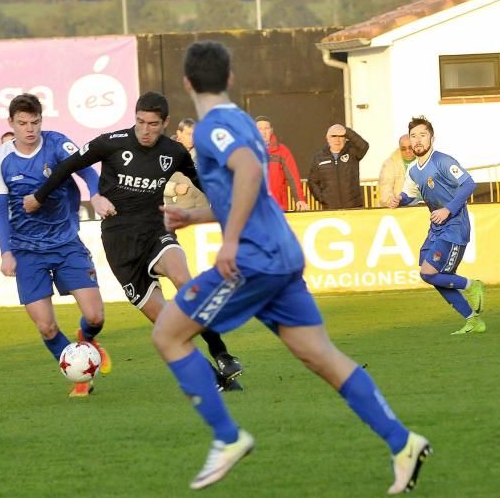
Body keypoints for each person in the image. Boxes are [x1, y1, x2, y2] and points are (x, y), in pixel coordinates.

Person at [154, 41, 429, 493]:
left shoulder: (210, 129)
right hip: (283, 253)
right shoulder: (243, 121)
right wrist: (198, 216)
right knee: (320, 355)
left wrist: (230, 243)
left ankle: (227, 437)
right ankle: (403, 442)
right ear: (230, 79)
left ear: (187, 83)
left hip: (254, 259)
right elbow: (248, 191)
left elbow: (247, 174)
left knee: (167, 332)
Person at [25, 92, 243, 391]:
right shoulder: (112, 142)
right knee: (168, 326)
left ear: (165, 123)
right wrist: (38, 197)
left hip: (155, 231)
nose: (145, 129)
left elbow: (201, 182)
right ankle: (217, 381)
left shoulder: (174, 152)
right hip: (120, 244)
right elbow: (68, 166)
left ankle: (222, 353)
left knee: (183, 278)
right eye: (140, 121)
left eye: (153, 124)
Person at [0, 93, 111, 398]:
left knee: (95, 316)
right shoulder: (1, 158)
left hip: (66, 242)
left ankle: (86, 339)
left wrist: (95, 195)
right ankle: (79, 374)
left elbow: (88, 172)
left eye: (35, 122)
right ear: (11, 124)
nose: (30, 129)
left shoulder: (58, 145)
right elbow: (0, 210)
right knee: (46, 327)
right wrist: (6, 252)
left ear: (41, 120)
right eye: (22, 123)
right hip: (27, 250)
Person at [387, 116, 487, 334]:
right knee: (430, 274)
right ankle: (473, 320)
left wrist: (447, 209)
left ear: (432, 138)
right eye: (414, 136)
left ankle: (472, 285)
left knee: (430, 273)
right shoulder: (413, 170)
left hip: (454, 226)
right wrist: (399, 199)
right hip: (436, 229)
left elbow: (469, 183)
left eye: (422, 135)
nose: (418, 140)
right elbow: (410, 194)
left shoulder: (442, 161)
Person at [307, 124, 370, 209]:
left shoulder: (352, 152)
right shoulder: (319, 158)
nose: (337, 140)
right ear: (327, 138)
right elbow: (312, 182)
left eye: (341, 136)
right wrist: (322, 198)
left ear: (345, 138)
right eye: (333, 136)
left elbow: (364, 146)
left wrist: (347, 131)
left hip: (354, 207)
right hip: (330, 208)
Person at [255, 116, 310, 211]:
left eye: (266, 128)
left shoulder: (282, 151)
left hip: (278, 205)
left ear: (271, 130)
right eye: (259, 129)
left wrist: (300, 199)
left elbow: (293, 177)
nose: (263, 132)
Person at [163, 118, 209, 210]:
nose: (192, 139)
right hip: (178, 213)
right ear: (179, 133)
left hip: (203, 212)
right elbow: (153, 183)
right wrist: (174, 188)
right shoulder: (165, 154)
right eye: (189, 134)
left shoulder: (203, 154)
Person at [378, 135, 416, 205]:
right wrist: (391, 201)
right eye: (403, 149)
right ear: (399, 148)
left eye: (410, 148)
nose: (407, 151)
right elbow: (385, 187)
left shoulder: (424, 160)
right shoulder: (389, 164)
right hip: (398, 206)